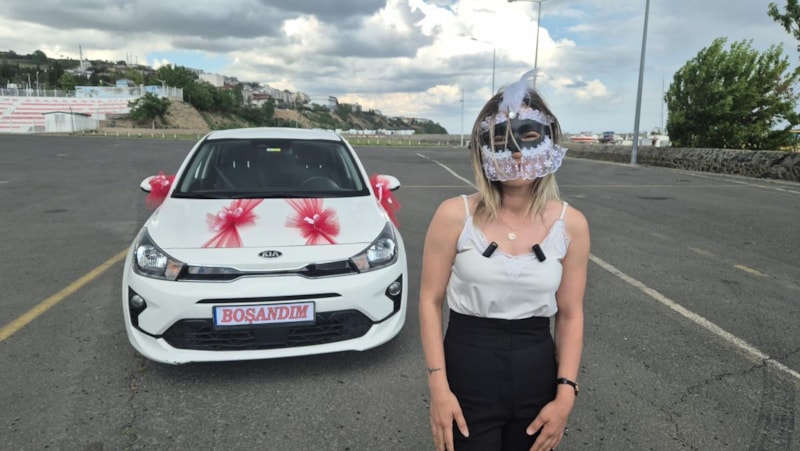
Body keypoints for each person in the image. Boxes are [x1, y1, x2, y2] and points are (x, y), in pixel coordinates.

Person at [419, 69, 590, 451]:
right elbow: (430, 301)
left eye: (528, 137)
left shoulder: (571, 225)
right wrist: (438, 388)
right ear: (482, 149)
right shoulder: (454, 215)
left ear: (549, 140)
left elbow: (570, 314)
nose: (514, 151)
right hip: (467, 369)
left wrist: (566, 394)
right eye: (500, 140)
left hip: (536, 373)